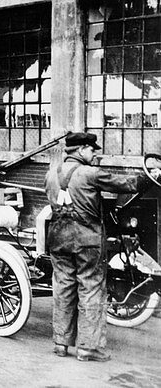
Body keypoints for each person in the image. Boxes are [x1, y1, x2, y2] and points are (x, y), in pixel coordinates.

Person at [45, 131, 159, 362]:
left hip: (58, 238)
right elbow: (127, 183)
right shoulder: (90, 173)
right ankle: (88, 348)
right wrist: (152, 175)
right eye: (91, 149)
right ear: (80, 150)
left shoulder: (51, 174)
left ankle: (61, 343)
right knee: (91, 288)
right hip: (87, 240)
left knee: (64, 287)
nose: (95, 153)